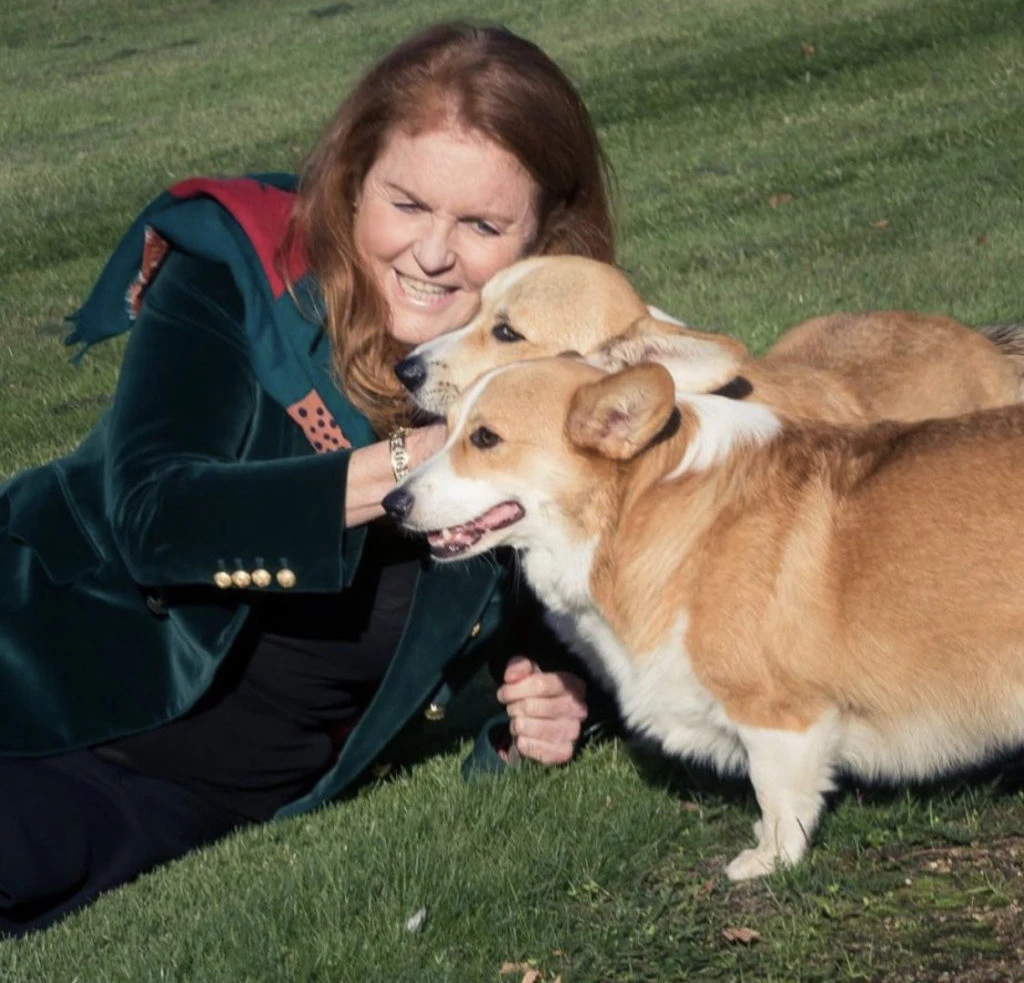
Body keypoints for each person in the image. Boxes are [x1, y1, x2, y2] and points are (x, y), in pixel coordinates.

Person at [0, 22, 616, 937]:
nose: (434, 253)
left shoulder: (557, 397)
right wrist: (415, 461)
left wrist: (565, 697)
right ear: (354, 181)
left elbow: (607, 610)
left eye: (483, 226)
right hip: (37, 666)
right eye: (408, 204)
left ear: (545, 239)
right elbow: (155, 517)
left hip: (190, 796)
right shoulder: (239, 275)